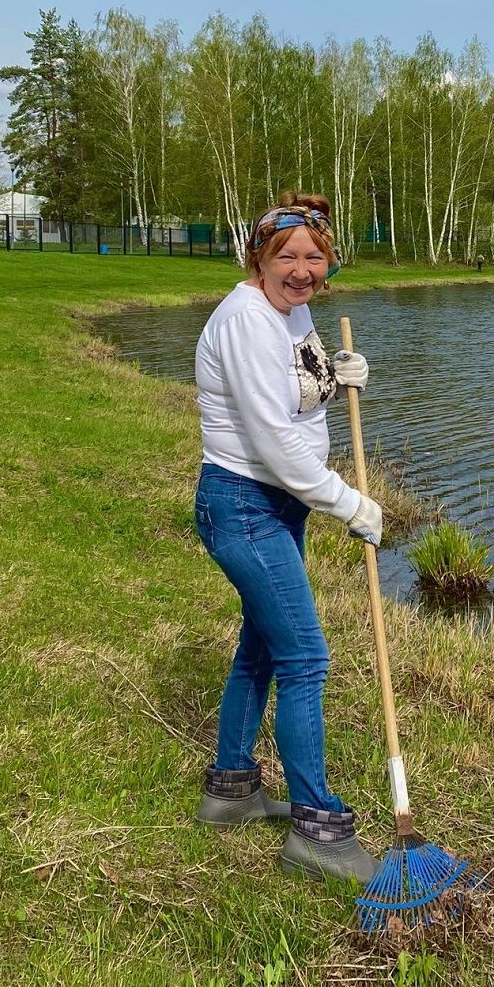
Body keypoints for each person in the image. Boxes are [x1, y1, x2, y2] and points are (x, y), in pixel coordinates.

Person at [192, 191, 382, 884]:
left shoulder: (290, 311)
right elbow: (272, 440)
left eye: (315, 258)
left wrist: (336, 378)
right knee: (305, 657)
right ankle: (318, 828)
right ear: (260, 256)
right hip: (243, 504)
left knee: (263, 647)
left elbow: (292, 394)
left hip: (275, 505)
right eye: (288, 257)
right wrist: (348, 502)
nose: (303, 271)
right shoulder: (244, 318)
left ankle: (231, 790)